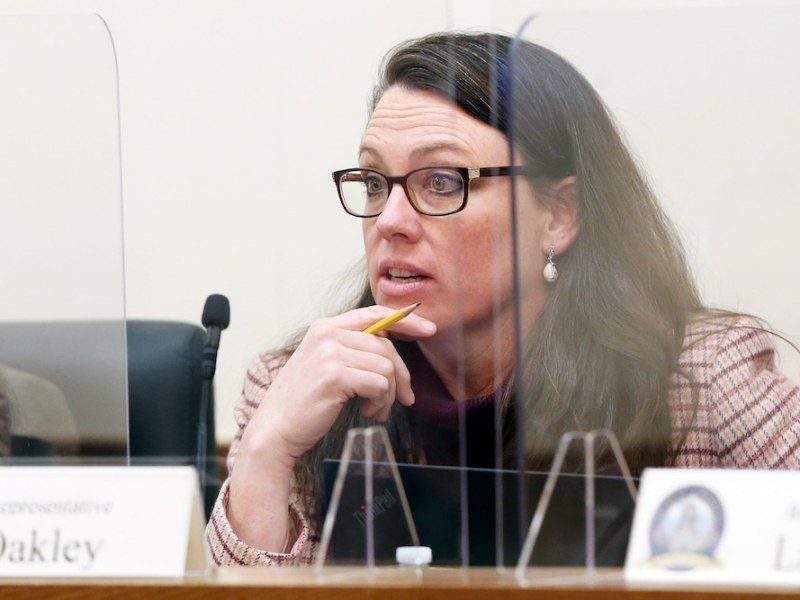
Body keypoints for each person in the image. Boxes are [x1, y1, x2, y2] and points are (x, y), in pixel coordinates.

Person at [206, 31, 800, 566]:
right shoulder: (298, 385)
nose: (389, 220)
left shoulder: (705, 379)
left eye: (442, 182)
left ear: (559, 216)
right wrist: (265, 450)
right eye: (374, 182)